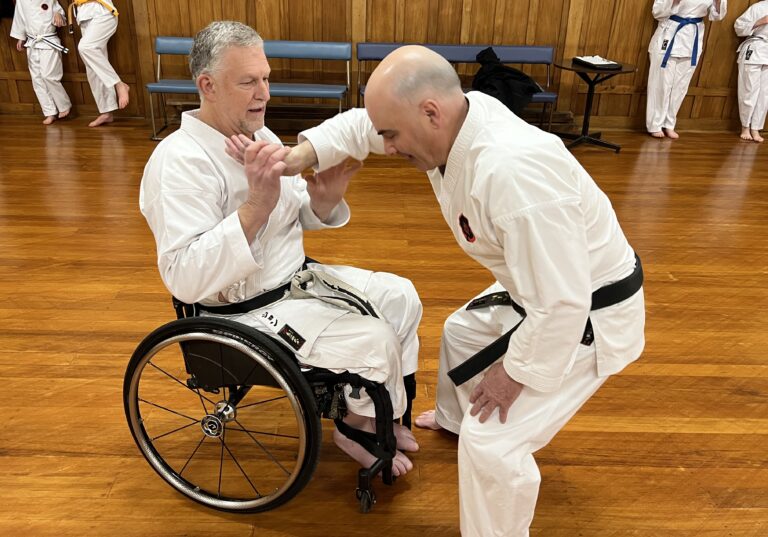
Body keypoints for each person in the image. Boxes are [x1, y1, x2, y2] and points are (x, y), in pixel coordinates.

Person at [239, 45, 645, 537]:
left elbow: (563, 300)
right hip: (538, 284)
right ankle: (453, 419)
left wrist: (513, 374)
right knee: (462, 329)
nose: (386, 147)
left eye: (392, 136)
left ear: (430, 112)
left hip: (585, 314)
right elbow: (362, 126)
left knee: (492, 444)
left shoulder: (513, 171)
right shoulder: (453, 119)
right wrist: (301, 154)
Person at [139, 21, 421, 477]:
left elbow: (293, 216)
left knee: (401, 295)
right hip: (240, 311)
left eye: (265, 78)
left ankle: (376, 414)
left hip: (294, 282)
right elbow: (184, 276)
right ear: (206, 85)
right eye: (248, 81)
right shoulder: (177, 162)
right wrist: (255, 207)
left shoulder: (262, 137)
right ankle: (355, 428)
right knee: (375, 340)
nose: (264, 93)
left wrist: (323, 200)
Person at [646, 0, 727, 138]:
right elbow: (657, 12)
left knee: (680, 87)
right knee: (661, 85)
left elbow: (717, 15)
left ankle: (669, 124)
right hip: (669, 33)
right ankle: (655, 124)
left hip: (693, 38)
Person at [68, 0, 129, 126]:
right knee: (92, 67)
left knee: (86, 47)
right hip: (84, 15)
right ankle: (106, 112)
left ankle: (119, 84)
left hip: (102, 12)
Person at [10, 0, 71, 125]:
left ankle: (64, 105)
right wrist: (21, 37)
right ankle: (50, 112)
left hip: (49, 41)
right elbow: (19, 18)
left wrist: (59, 15)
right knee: (37, 79)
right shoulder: (21, 1)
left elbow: (58, 12)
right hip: (32, 42)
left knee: (48, 75)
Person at [734, 0, 768, 143]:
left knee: (764, 94)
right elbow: (739, 27)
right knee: (749, 90)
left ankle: (756, 128)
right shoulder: (759, 7)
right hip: (754, 49)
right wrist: (760, 21)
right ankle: (745, 127)